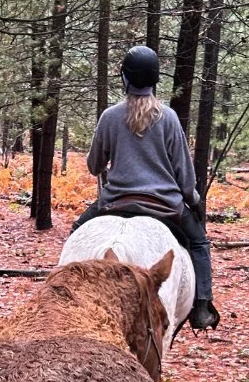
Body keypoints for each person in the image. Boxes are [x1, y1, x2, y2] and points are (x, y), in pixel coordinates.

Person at [75, 45, 220, 331]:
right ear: (155, 80)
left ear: (125, 79)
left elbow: (94, 165)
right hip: (164, 206)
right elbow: (185, 175)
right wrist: (192, 199)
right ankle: (202, 306)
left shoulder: (110, 117)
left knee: (78, 230)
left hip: (116, 201)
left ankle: (63, 291)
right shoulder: (168, 118)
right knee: (200, 243)